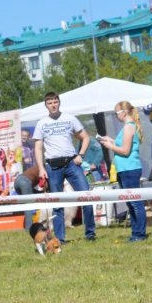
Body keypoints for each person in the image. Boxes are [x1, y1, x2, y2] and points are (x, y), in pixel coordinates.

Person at [32, 91, 95, 243]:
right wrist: (41, 168)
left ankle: (90, 234)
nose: (53, 105)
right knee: (57, 203)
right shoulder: (41, 123)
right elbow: (38, 148)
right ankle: (60, 238)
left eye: (55, 102)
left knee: (86, 196)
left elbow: (86, 138)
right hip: (53, 167)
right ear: (46, 105)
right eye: (49, 103)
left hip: (72, 163)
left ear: (59, 103)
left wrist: (81, 154)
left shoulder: (70, 118)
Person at [98, 101, 147, 241]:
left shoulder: (128, 127)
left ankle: (139, 234)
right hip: (126, 169)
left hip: (129, 168)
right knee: (131, 203)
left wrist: (110, 146)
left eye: (116, 112)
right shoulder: (128, 127)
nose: (115, 115)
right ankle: (136, 232)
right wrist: (111, 141)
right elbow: (124, 145)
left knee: (135, 203)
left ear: (124, 112)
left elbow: (125, 151)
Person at [13, 165, 44, 230]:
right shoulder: (44, 169)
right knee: (29, 206)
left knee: (27, 203)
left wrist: (41, 193)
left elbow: (34, 191)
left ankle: (28, 224)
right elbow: (45, 184)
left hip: (17, 182)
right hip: (25, 182)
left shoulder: (36, 168)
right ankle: (29, 229)